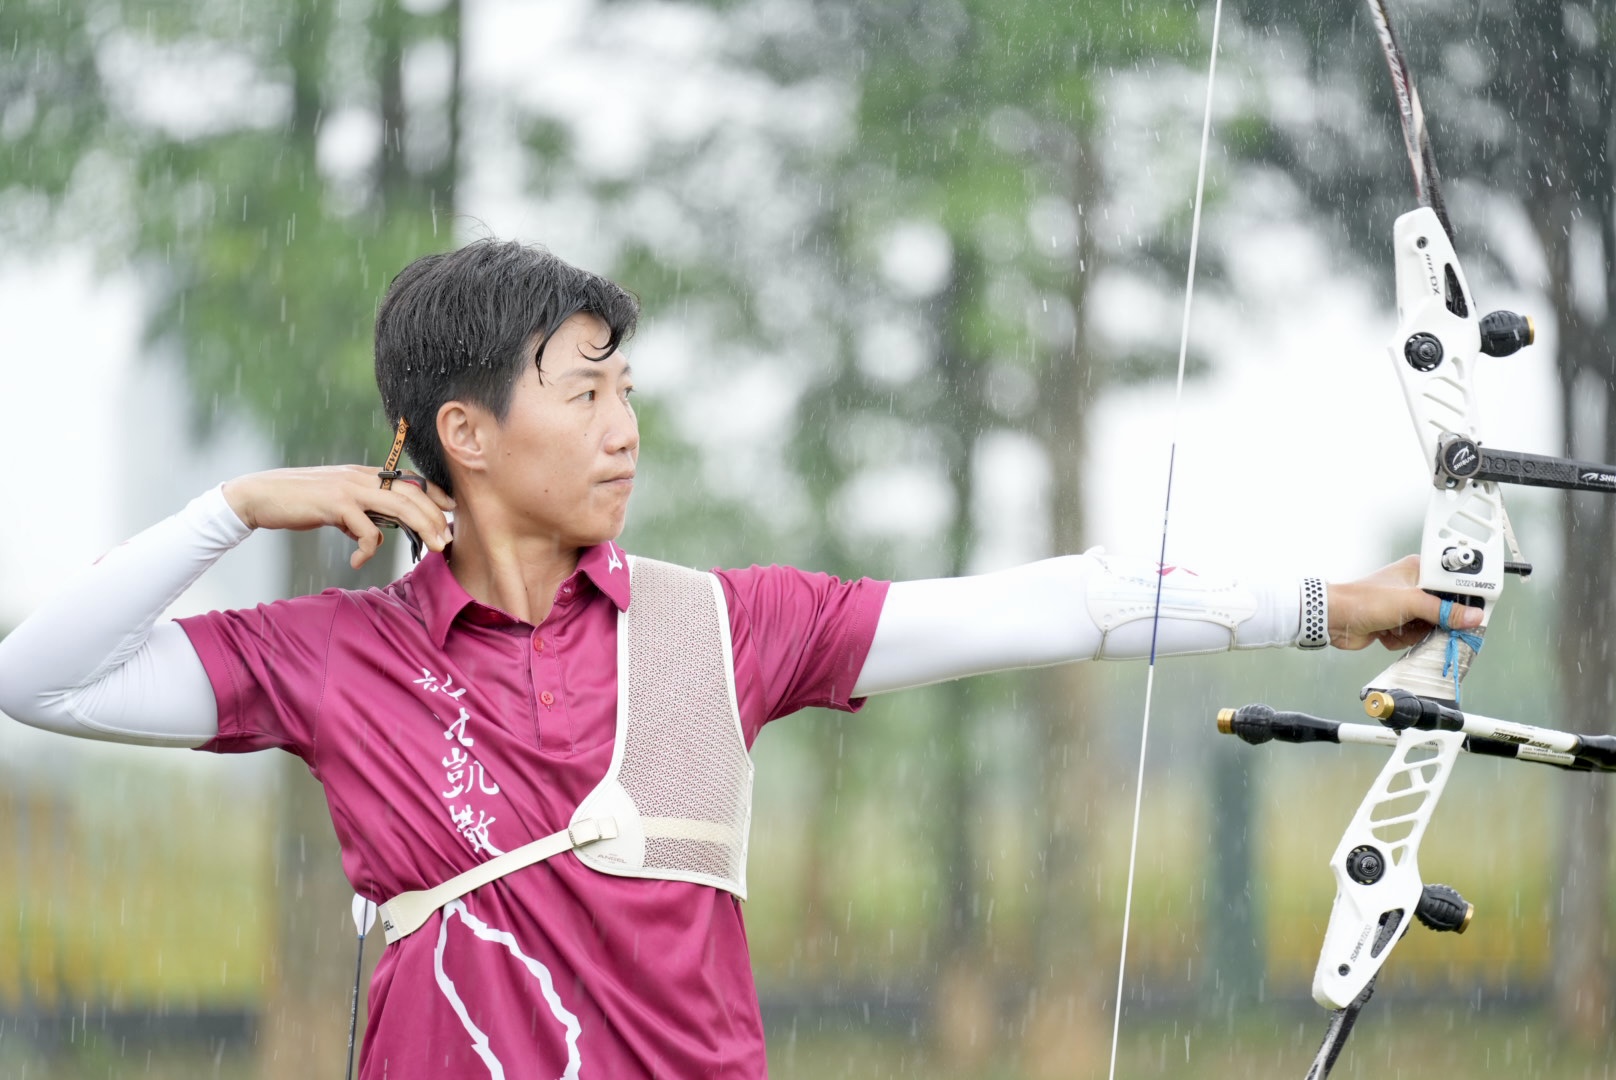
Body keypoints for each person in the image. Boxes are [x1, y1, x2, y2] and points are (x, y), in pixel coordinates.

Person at [0, 240, 1476, 1079]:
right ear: (464, 430)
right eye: (584, 393)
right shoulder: (334, 658)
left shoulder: (724, 625)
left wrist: (1331, 604)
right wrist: (232, 509)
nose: (624, 427)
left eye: (628, 390)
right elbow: (41, 678)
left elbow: (1056, 603)